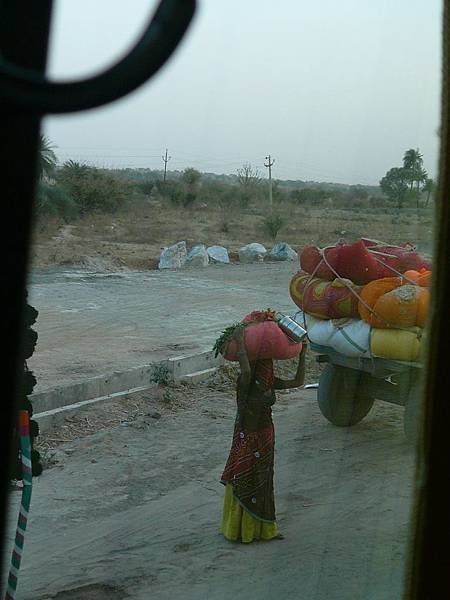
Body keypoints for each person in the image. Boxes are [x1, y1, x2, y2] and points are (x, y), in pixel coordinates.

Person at [220, 327, 308, 543]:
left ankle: (263, 530)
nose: (268, 375)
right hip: (246, 437)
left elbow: (297, 382)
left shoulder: (269, 382)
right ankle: (239, 530)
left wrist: (303, 355)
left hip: (265, 435)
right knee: (244, 480)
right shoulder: (244, 381)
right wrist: (241, 344)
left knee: (263, 481)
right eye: (265, 370)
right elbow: (248, 372)